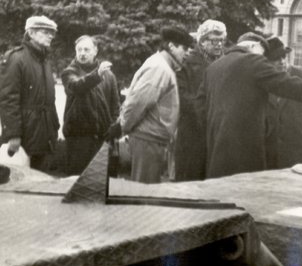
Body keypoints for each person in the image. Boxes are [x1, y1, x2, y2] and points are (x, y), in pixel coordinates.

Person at [200, 33, 302, 179]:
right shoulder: (252, 61)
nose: (263, 59)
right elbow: (286, 84)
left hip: (216, 146)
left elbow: (201, 105)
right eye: (262, 54)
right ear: (254, 46)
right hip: (244, 148)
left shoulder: (214, 67)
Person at [120, 27, 194, 184]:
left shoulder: (163, 65)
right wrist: (123, 126)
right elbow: (139, 102)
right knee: (143, 190)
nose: (188, 53)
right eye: (185, 48)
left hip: (151, 139)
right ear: (171, 46)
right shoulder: (160, 68)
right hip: (147, 139)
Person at [0, 16, 60, 172]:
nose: (50, 36)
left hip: (45, 136)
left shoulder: (45, 61)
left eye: (52, 33)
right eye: (45, 32)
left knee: (42, 180)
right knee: (21, 182)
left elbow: (49, 100)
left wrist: (54, 128)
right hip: (25, 137)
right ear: (31, 33)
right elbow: (8, 100)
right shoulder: (16, 59)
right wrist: (13, 135)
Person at [174, 19, 227, 181]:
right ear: (202, 42)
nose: (219, 45)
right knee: (191, 181)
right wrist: (207, 109)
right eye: (214, 41)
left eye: (222, 40)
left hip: (216, 134)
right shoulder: (186, 63)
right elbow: (181, 96)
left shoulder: (225, 62)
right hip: (193, 135)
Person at [61, 35, 121, 174]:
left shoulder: (109, 75)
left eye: (86, 50)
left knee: (101, 182)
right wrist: (97, 75)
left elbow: (115, 106)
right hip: (78, 140)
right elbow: (77, 86)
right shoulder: (69, 73)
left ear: (95, 51)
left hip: (103, 140)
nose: (82, 53)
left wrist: (112, 129)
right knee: (78, 181)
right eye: (79, 49)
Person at [263, 36, 302, 168]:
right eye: (276, 58)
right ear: (267, 61)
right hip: (267, 147)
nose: (282, 62)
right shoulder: (262, 78)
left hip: (295, 146)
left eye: (284, 57)